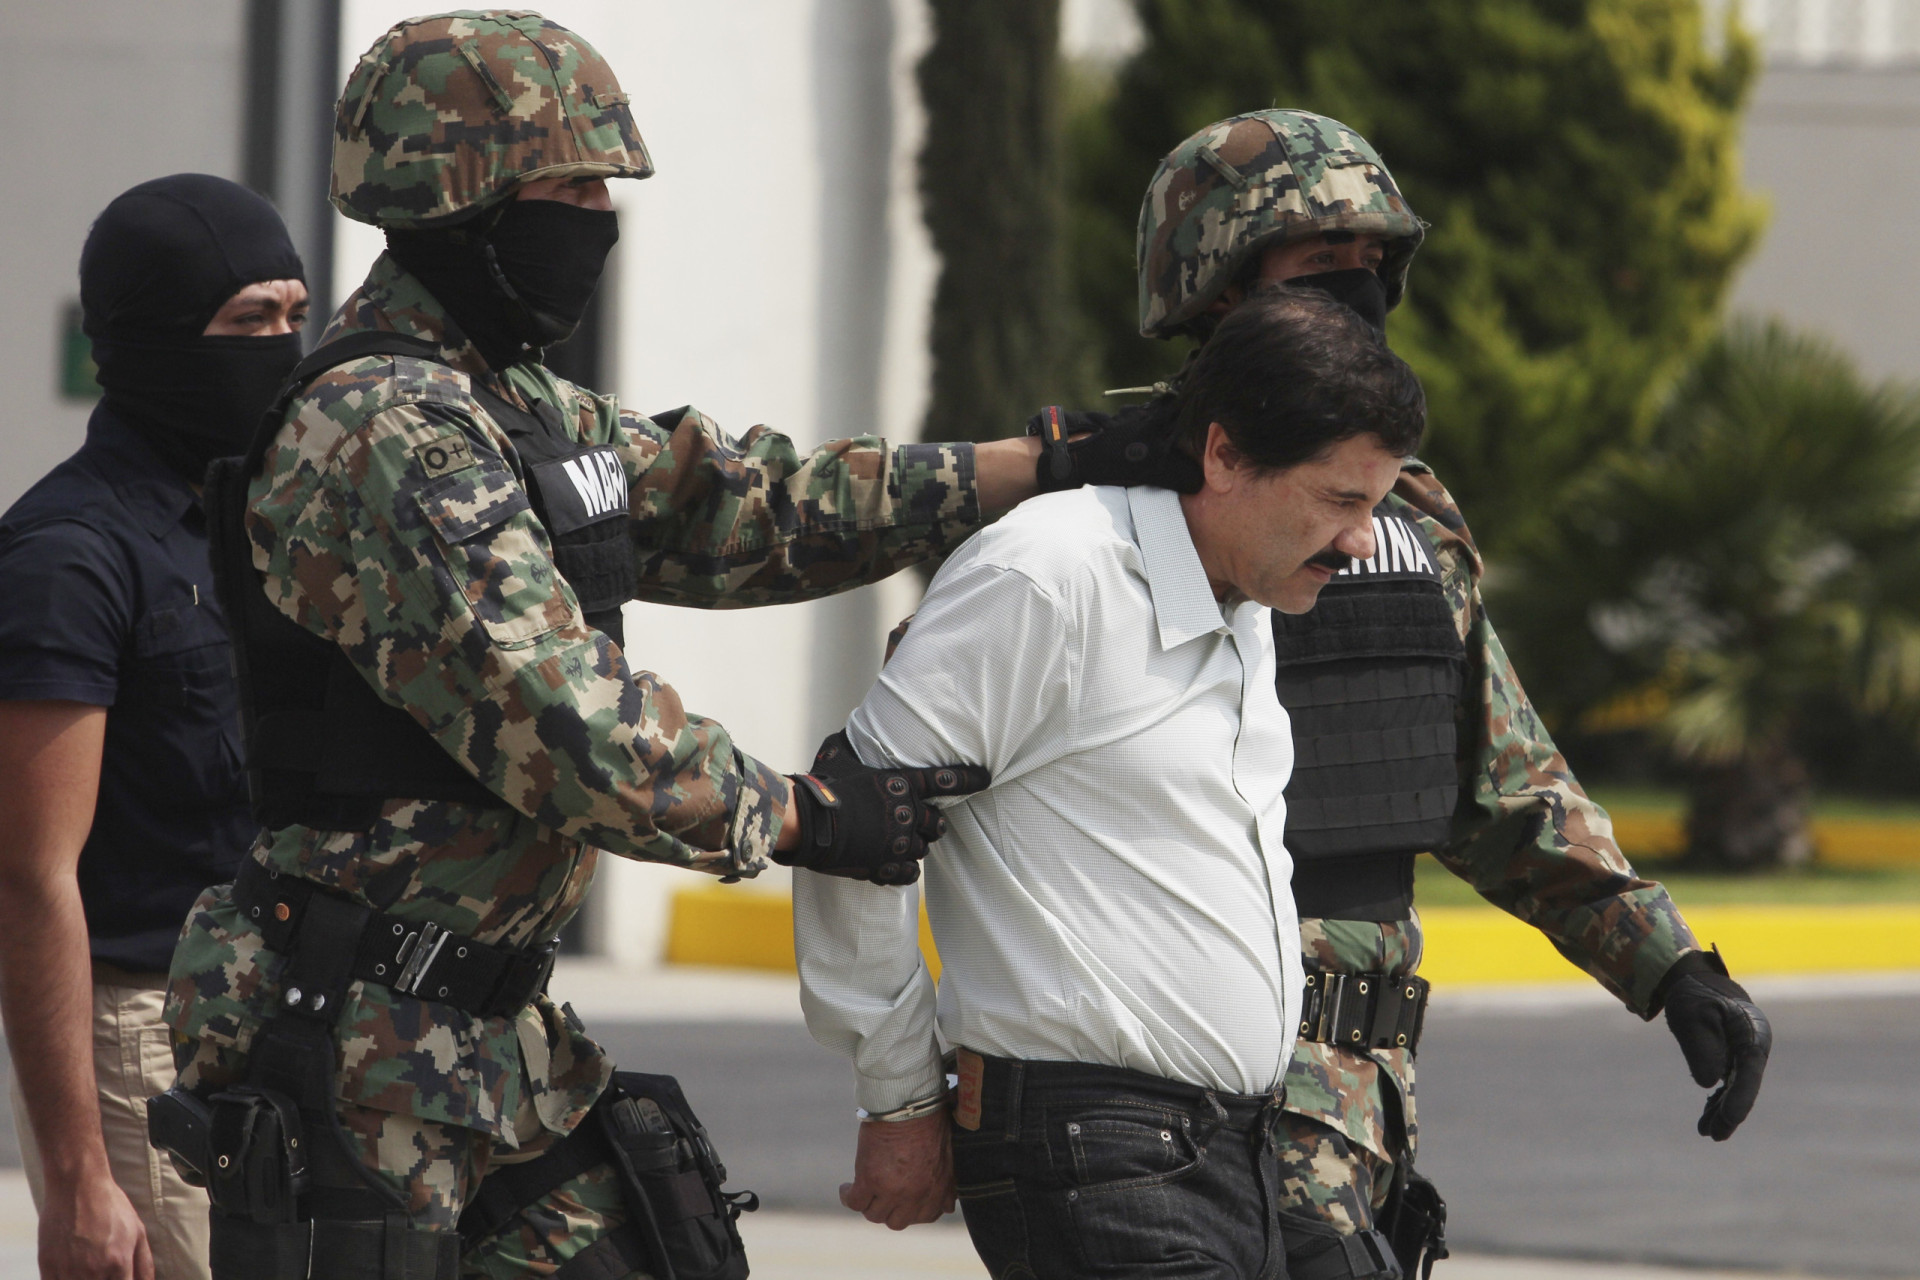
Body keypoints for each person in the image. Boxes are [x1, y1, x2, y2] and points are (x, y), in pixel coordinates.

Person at [156, 11, 1173, 1280]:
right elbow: (561, 717)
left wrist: (1039, 465)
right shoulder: (385, 433)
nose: (599, 217)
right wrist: (798, 813)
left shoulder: (513, 402)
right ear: (458, 196)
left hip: (486, 1036)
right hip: (356, 1044)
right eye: (569, 186)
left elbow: (744, 508)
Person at [1115, 109, 1772, 1278]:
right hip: (1179, 1089)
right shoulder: (1109, 502)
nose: (1358, 298)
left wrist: (1669, 963)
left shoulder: (1408, 518)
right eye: (1323, 271)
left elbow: (1500, 777)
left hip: (1358, 1104)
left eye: (1373, 272)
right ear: (1217, 285)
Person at [795, 289, 1429, 1279]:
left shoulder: (1249, 599)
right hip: (1096, 1153)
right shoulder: (1048, 577)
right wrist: (900, 1098)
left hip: (1233, 1153)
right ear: (1223, 455)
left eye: (1375, 504)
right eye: (1339, 500)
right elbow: (859, 824)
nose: (1360, 540)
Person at [0, 174, 309, 1280]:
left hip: (296, 1024)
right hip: (150, 1045)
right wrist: (80, 1173)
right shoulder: (67, 555)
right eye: (246, 321)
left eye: (292, 314)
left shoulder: (270, 525)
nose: (280, 347)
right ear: (150, 340)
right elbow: (31, 877)